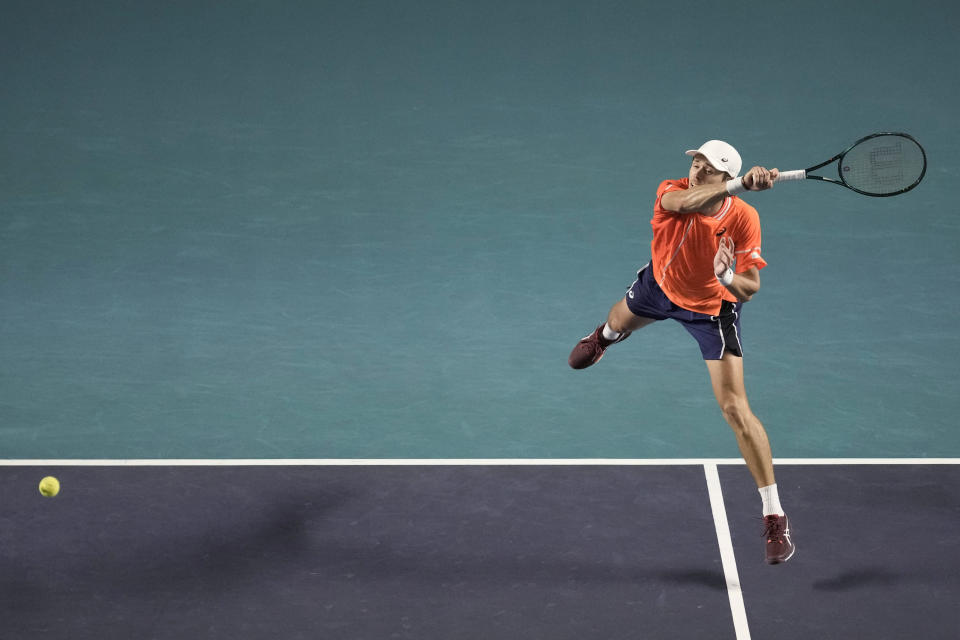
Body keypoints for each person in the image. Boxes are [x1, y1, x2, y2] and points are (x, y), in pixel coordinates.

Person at [568, 140, 795, 564]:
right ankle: (603, 339)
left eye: (709, 168)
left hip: (711, 311)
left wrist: (727, 276)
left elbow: (752, 288)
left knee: (735, 409)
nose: (696, 171)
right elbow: (686, 200)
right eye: (697, 161)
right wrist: (739, 185)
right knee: (617, 322)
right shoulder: (671, 190)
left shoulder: (745, 220)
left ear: (724, 175)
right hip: (658, 287)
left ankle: (774, 515)